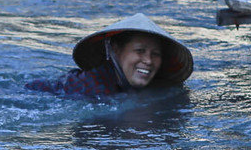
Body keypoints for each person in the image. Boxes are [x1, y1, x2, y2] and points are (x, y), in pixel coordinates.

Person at [26, 13, 193, 98]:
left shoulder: (155, 87)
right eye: (139, 51)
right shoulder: (92, 88)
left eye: (155, 54)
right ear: (117, 50)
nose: (148, 60)